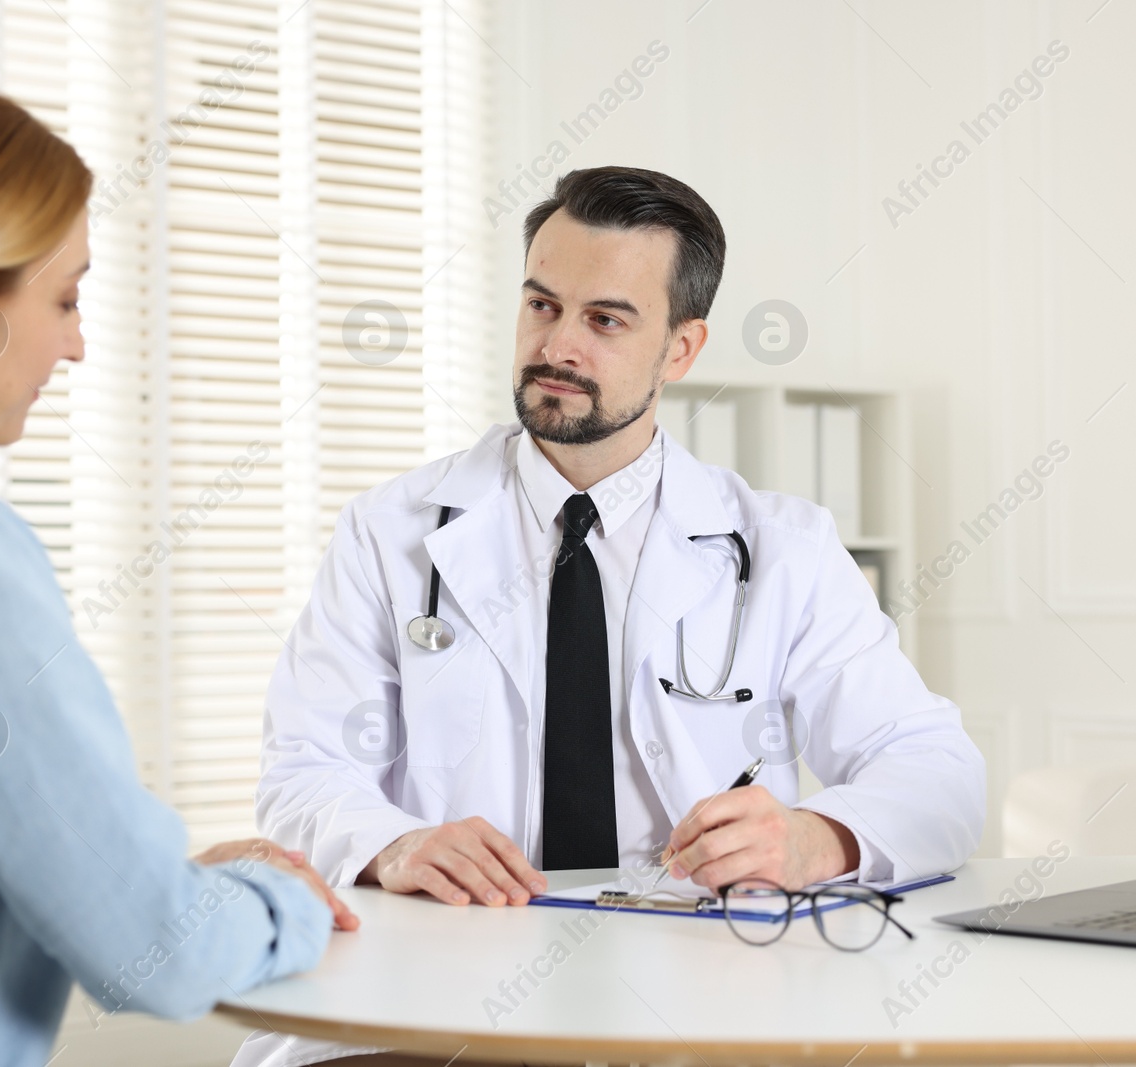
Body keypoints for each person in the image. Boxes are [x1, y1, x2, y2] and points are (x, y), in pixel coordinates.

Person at [232, 165, 985, 1067]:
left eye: (606, 319)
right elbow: (302, 770)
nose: (559, 346)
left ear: (681, 348)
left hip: (698, 1001)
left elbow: (939, 771)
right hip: (446, 994)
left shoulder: (783, 548)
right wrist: (394, 842)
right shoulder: (390, 532)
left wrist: (814, 837)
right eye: (542, 306)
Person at [0, 80, 355, 1067]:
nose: (77, 344)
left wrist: (152, 878)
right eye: (65, 296)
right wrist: (280, 899)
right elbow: (154, 954)